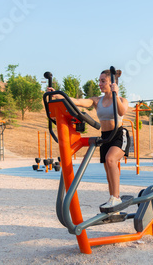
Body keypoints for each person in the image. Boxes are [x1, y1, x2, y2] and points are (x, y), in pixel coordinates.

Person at [47, 69, 129, 208]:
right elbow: (77, 101)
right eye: (100, 81)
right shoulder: (97, 100)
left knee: (110, 159)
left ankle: (116, 197)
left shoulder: (121, 100)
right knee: (108, 170)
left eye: (103, 81)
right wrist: (56, 95)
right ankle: (112, 200)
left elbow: (121, 111)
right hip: (105, 137)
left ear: (112, 83)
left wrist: (115, 95)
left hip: (119, 134)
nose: (100, 84)